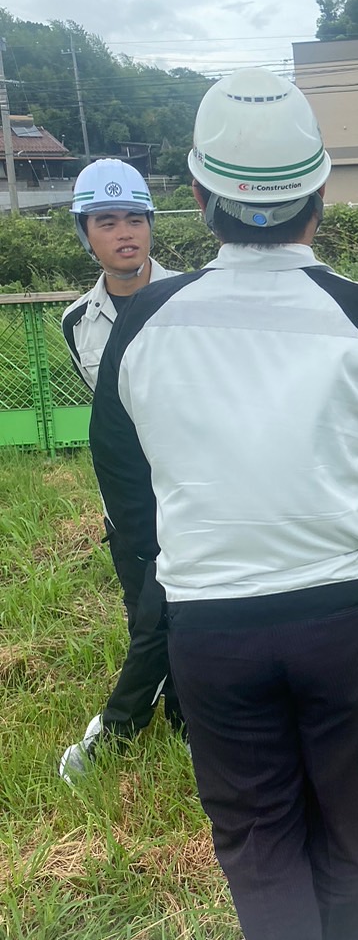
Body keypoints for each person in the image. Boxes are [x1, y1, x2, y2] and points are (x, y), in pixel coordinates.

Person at [89, 69, 358, 940]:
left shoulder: (146, 322)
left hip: (209, 618)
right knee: (342, 818)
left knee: (258, 835)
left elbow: (125, 473)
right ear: (320, 193)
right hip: (340, 609)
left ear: (197, 195)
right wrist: (327, 480)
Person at [59, 158, 185, 784]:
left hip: (194, 484)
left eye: (135, 218)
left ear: (152, 224)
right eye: (106, 221)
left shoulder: (194, 295)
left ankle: (121, 728)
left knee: (175, 607)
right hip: (127, 494)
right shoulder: (78, 322)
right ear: (86, 234)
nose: (124, 233)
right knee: (146, 609)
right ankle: (184, 715)